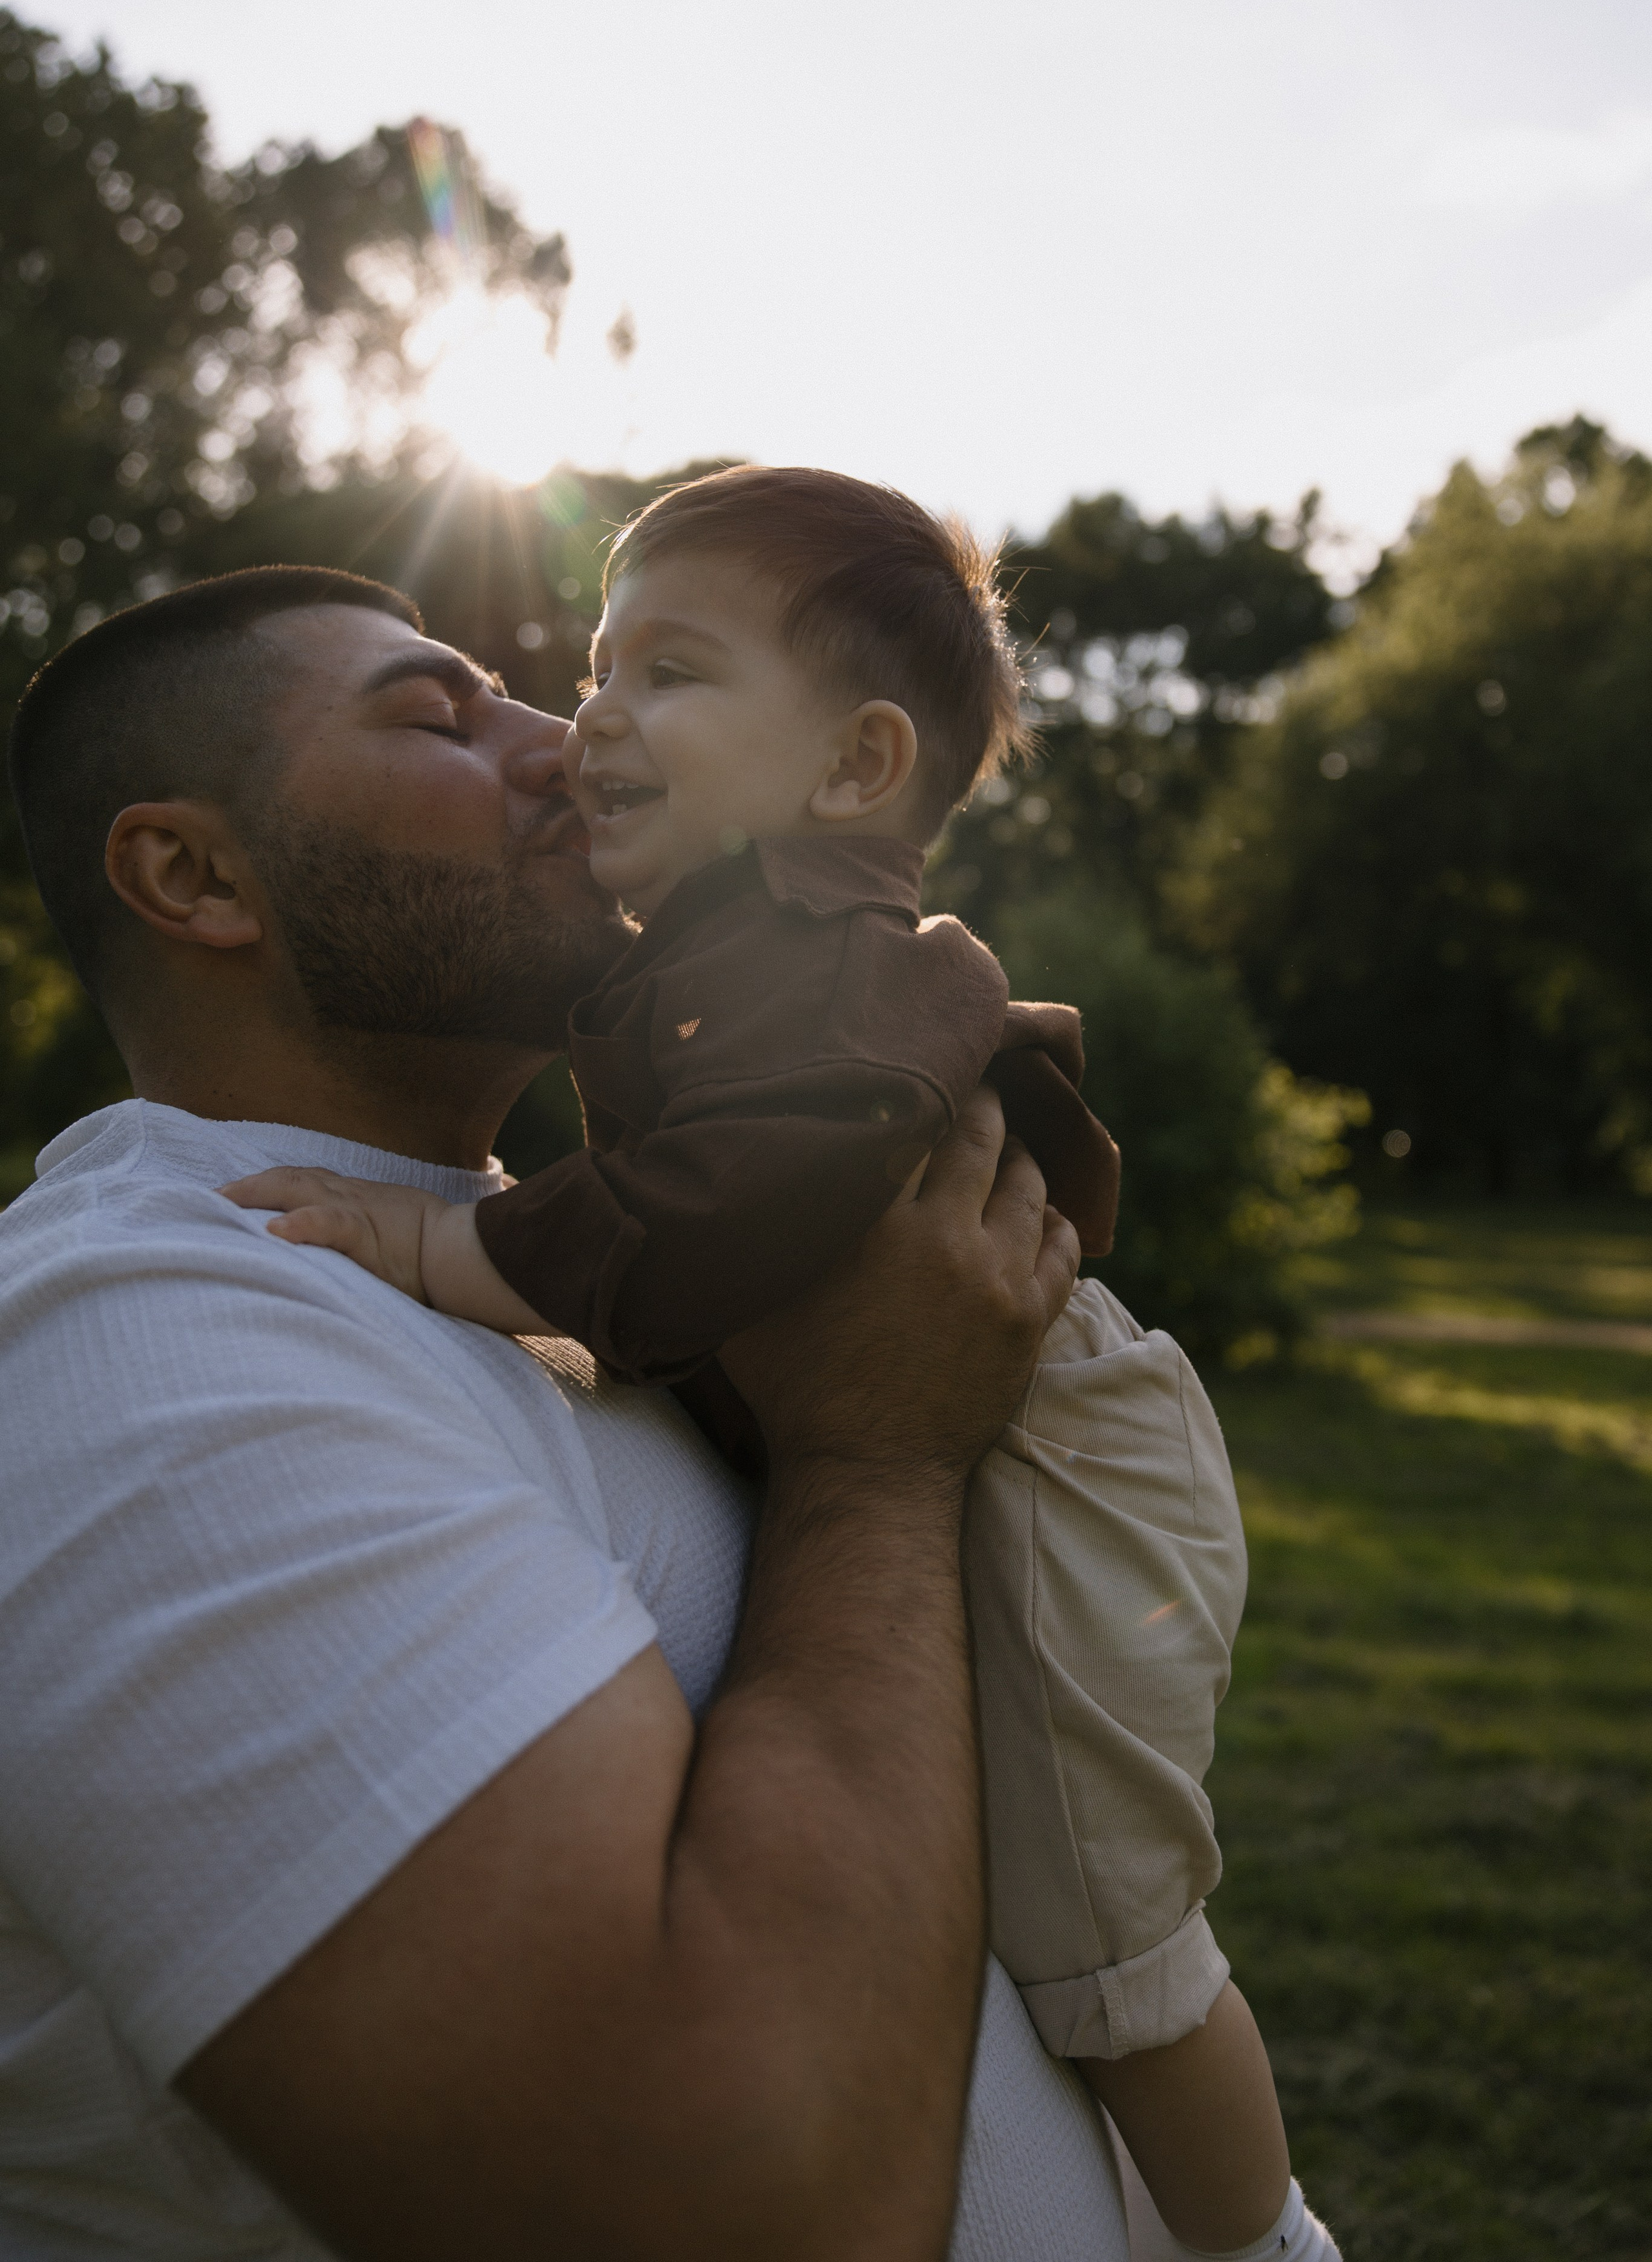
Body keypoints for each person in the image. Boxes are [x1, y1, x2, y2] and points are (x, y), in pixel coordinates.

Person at [213, 471, 1338, 2262]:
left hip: (1051, 1442)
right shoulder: (719, 953)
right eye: (599, 663)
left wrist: (451, 1248)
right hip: (972, 1413)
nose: (593, 714)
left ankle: (1269, 2240)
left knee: (1101, 1937)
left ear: (855, 770)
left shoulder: (835, 965)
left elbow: (749, 1186)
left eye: (670, 672)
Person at [0, 563, 1125, 2262]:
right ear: (193, 872)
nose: (571, 745)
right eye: (438, 718)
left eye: (543, 695)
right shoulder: (136, 1354)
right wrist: (876, 1458)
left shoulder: (566, 1266)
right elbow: (729, 2213)